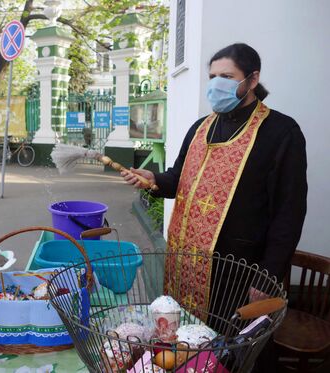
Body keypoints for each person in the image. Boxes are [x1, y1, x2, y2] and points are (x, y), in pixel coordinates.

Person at [122, 43, 307, 369]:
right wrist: (152, 178)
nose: (216, 84)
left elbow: (288, 215)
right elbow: (179, 179)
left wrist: (266, 279)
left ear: (252, 79)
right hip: (187, 266)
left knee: (240, 352)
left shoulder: (280, 132)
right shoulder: (200, 128)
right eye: (212, 76)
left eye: (226, 76)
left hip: (239, 271)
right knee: (188, 347)